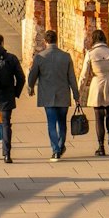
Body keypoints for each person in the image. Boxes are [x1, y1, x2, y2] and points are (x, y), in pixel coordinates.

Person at [27, 29, 76, 160]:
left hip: (47, 95)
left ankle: (55, 149)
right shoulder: (66, 56)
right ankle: (60, 145)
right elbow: (72, 77)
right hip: (63, 94)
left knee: (51, 123)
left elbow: (33, 75)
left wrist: (30, 87)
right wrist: (76, 95)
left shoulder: (40, 57)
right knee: (62, 123)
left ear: (45, 41)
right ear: (57, 40)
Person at [78, 28, 109, 155]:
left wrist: (78, 93)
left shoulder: (91, 54)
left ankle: (101, 146)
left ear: (93, 40)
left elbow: (84, 76)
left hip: (97, 84)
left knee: (99, 117)